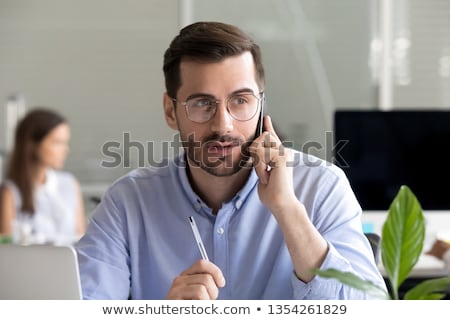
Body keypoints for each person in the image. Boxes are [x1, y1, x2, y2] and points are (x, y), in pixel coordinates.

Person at [76, 21, 386, 299]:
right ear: (171, 111)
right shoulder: (128, 203)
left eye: (240, 101)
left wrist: (287, 209)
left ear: (260, 105)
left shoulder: (322, 187)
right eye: (202, 103)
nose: (223, 125)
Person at [0, 108, 86, 245]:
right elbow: (6, 248)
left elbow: (82, 239)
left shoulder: (70, 184)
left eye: (66, 143)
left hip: (70, 265)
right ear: (33, 144)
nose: (65, 150)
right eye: (57, 143)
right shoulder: (10, 192)